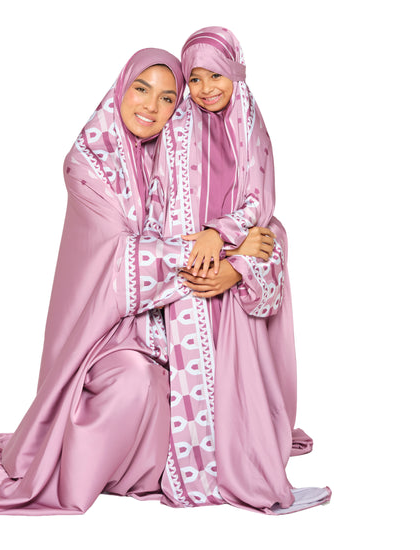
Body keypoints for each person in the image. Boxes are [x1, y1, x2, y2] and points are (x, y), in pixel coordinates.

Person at [0, 48, 193, 515]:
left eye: (168, 98)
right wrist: (205, 252)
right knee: (137, 382)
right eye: (142, 89)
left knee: (200, 378)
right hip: (98, 330)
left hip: (162, 322)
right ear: (121, 89)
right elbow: (123, 259)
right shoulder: (88, 163)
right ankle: (93, 470)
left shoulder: (177, 160)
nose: (151, 106)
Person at [137, 27, 331, 513]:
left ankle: (253, 474)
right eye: (195, 79)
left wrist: (221, 240)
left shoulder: (249, 123)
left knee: (242, 379)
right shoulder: (177, 128)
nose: (206, 89)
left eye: (216, 76)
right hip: (189, 267)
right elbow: (161, 202)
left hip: (228, 266)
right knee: (196, 379)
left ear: (236, 73)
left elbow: (258, 202)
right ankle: (199, 477)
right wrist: (198, 246)